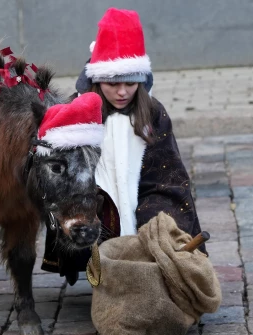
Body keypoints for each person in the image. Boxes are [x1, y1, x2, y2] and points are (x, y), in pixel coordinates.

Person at [41, 8, 207, 285]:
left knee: (162, 224)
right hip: (94, 199)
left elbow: (168, 172)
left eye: (130, 83)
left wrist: (151, 214)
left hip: (147, 195)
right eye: (112, 83)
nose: (122, 92)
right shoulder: (76, 111)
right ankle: (102, 267)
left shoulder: (153, 113)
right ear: (96, 79)